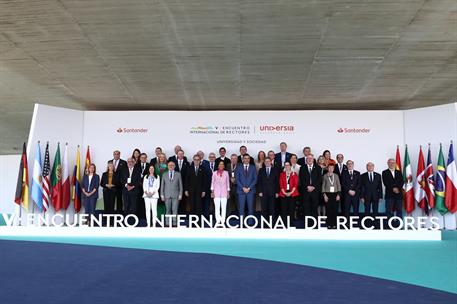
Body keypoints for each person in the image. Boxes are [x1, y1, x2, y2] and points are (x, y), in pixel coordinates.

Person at [235, 154, 257, 224]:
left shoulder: (253, 167)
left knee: (251, 208)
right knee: (241, 208)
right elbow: (237, 179)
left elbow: (255, 179)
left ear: (249, 159)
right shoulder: (238, 167)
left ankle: (250, 223)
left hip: (250, 190)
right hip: (241, 190)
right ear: (242, 159)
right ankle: (241, 222)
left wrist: (249, 188)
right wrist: (243, 188)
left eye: (248, 158)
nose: (246, 159)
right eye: (245, 158)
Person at [299, 154, 322, 220]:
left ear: (313, 159)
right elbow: (301, 179)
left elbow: (319, 179)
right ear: (306, 160)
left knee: (315, 208)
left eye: (311, 158)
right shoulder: (302, 167)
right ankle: (307, 224)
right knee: (306, 208)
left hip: (315, 191)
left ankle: (314, 224)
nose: (309, 160)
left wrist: (313, 187)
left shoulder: (318, 167)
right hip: (306, 191)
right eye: (308, 158)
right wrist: (307, 187)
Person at [160, 161, 183, 226]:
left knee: (175, 210)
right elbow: (162, 185)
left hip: (176, 195)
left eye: (172, 165)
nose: (171, 166)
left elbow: (180, 185)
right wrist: (162, 195)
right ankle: (167, 223)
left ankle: (174, 223)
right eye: (169, 165)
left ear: (174, 166)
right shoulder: (164, 174)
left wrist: (180, 194)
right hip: (166, 195)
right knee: (167, 210)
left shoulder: (178, 174)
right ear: (167, 166)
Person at [321, 164, 341, 229]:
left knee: (335, 210)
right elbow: (323, 186)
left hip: (335, 194)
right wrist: (324, 195)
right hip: (327, 194)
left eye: (332, 168)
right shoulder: (325, 176)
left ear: (333, 169)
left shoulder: (336, 175)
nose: (330, 169)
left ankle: (334, 224)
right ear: (327, 168)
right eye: (329, 168)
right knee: (328, 210)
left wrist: (338, 194)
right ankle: (329, 224)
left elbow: (338, 185)